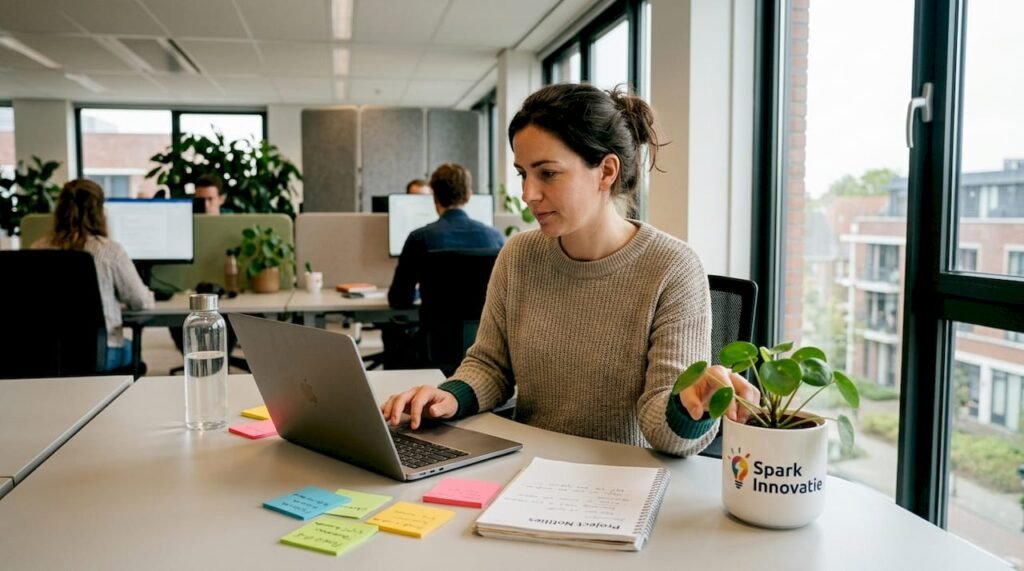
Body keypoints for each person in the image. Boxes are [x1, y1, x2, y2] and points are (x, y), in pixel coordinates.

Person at [381, 84, 759, 458]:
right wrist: (448, 396)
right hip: (526, 469)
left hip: (617, 481)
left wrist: (688, 404)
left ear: (606, 171)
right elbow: (490, 366)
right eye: (523, 174)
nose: (529, 193)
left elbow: (668, 432)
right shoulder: (519, 254)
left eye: (547, 173)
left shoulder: (672, 268)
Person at [31, 179, 155, 371]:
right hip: (98, 352)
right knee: (131, 350)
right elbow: (139, 300)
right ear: (99, 212)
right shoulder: (108, 250)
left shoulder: (37, 249)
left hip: (47, 353)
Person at [388, 163, 505, 308]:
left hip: (436, 330)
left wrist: (420, 292)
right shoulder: (495, 237)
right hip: (482, 330)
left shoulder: (419, 238)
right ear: (469, 196)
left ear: (434, 197)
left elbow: (399, 299)